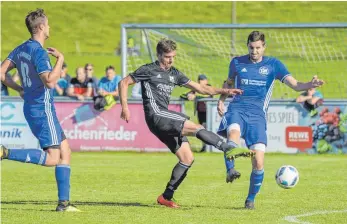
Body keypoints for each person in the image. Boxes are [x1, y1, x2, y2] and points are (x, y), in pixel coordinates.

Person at [118, 38, 253, 208]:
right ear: (159, 55)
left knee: (187, 158)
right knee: (196, 127)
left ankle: (166, 196)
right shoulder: (148, 70)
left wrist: (225, 91)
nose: (171, 60)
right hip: (156, 115)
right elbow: (123, 82)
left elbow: (202, 89)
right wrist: (125, 107)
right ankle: (228, 148)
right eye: (167, 56)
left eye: (173, 56)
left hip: (163, 121)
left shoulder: (174, 74)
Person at [217, 31, 324, 209]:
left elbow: (295, 85)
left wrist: (310, 85)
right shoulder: (236, 62)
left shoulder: (273, 65)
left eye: (258, 48)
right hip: (237, 109)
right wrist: (221, 100)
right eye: (251, 47)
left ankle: (250, 199)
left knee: (258, 162)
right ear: (247, 46)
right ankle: (231, 170)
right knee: (233, 137)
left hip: (258, 116)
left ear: (264, 47)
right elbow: (227, 83)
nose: (254, 51)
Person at [0, 9, 79, 212]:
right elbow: (50, 82)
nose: (50, 27)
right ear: (42, 27)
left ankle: (64, 204)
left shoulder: (20, 49)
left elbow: (1, 72)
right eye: (48, 24)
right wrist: (60, 59)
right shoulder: (38, 51)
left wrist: (19, 89)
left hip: (31, 107)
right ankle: (5, 152)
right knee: (53, 157)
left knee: (65, 151)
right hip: (43, 109)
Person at [182, 74, 213, 152]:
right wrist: (188, 95)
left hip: (208, 112)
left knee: (206, 129)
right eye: (199, 80)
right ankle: (204, 146)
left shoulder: (208, 87)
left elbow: (209, 96)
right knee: (201, 129)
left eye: (202, 80)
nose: (200, 81)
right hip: (200, 112)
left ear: (206, 81)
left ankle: (209, 146)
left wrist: (196, 97)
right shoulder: (196, 89)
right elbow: (183, 95)